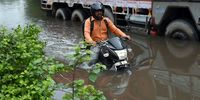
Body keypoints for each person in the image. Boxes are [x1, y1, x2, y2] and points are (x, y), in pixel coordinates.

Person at [83, 1, 130, 67]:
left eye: (101, 11)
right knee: (93, 60)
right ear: (93, 12)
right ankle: (88, 68)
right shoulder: (89, 21)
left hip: (106, 43)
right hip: (95, 44)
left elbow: (115, 29)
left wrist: (124, 35)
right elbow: (86, 33)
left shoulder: (106, 20)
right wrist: (91, 42)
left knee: (117, 53)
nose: (99, 13)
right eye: (97, 11)